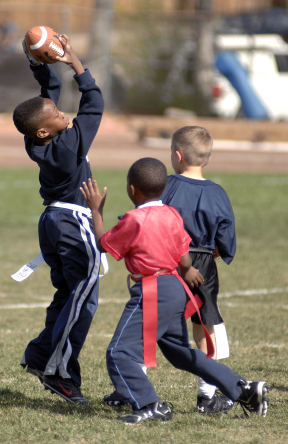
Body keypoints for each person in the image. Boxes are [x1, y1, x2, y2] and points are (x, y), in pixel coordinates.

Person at [80, 157, 269, 424]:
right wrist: (187, 270)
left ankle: (149, 404)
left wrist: (96, 211)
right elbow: (184, 254)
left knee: (119, 353)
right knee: (181, 354)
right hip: (176, 288)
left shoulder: (134, 219)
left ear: (132, 189)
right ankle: (244, 389)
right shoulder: (171, 214)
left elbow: (103, 244)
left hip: (153, 289)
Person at [13, 34, 104, 403]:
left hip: (52, 222)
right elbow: (94, 103)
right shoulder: (67, 149)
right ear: (46, 129)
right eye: (56, 115)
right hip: (72, 223)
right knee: (84, 297)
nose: (62, 113)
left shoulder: (38, 140)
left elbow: (47, 97)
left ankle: (39, 354)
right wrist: (76, 63)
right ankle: (59, 371)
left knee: (68, 293)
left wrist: (39, 61)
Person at [160, 125, 236, 414]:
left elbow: (149, 215)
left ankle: (131, 386)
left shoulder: (167, 185)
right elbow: (226, 237)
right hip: (203, 263)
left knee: (150, 321)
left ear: (177, 156)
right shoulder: (217, 193)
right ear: (207, 159)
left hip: (168, 261)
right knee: (205, 325)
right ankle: (207, 396)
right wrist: (218, 251)